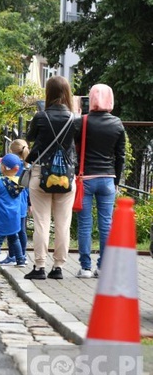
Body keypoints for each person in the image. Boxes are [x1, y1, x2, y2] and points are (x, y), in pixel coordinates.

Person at [23, 75, 81, 281]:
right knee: (63, 223)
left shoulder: (41, 117)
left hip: (41, 173)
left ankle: (39, 267)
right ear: (67, 94)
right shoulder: (75, 119)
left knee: (41, 222)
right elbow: (77, 144)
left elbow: (30, 137)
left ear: (48, 93)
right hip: (66, 176)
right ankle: (58, 267)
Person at [74, 84, 126, 278]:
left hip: (85, 179)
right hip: (107, 179)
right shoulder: (117, 123)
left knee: (85, 224)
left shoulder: (83, 121)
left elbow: (74, 149)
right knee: (106, 224)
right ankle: (103, 267)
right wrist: (116, 180)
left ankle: (85, 268)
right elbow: (120, 156)